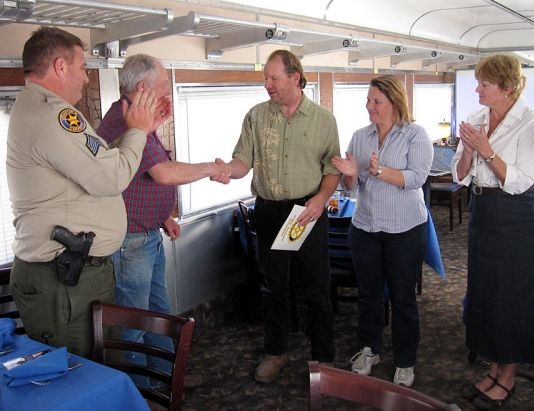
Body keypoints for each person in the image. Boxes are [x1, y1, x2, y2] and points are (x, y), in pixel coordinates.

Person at [6, 27, 161, 359]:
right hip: (64, 280)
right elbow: (110, 178)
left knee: (102, 366)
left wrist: (129, 138)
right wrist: (138, 130)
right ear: (61, 67)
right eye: (82, 67)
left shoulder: (40, 108)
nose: (87, 79)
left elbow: (98, 161)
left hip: (69, 276)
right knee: (86, 370)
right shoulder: (53, 115)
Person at [97, 54, 223, 389]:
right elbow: (162, 173)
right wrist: (212, 168)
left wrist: (164, 215)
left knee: (158, 316)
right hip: (129, 243)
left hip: (146, 236)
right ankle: (143, 395)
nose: (169, 92)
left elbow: (137, 178)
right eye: (165, 85)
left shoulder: (141, 122)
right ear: (142, 88)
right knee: (136, 323)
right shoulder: (125, 121)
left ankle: (168, 381)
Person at [214, 49, 340, 383]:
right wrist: (227, 169)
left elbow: (332, 170)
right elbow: (243, 162)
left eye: (274, 78)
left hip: (308, 212)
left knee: (317, 287)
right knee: (275, 287)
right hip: (269, 211)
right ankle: (276, 351)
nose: (267, 85)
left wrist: (321, 199)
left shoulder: (323, 120)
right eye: (265, 79)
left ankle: (323, 358)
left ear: (295, 78)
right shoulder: (256, 116)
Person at [451, 54, 534, 409]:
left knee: (513, 295)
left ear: (508, 87)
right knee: (486, 290)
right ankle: (493, 368)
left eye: (484, 83)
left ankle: (507, 377)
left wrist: (487, 149)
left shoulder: (532, 121)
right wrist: (468, 150)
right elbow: (460, 174)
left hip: (520, 211)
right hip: (483, 208)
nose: (477, 88)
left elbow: (520, 179)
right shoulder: (476, 118)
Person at [331, 75, 432, 387]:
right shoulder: (360, 137)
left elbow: (416, 178)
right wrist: (349, 175)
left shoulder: (416, 135)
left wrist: (378, 171)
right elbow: (351, 188)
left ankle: (404, 361)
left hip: (404, 230)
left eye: (377, 101)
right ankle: (369, 349)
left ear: (394, 102)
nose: (369, 106)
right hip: (364, 227)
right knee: (369, 295)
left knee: (403, 298)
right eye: (368, 100)